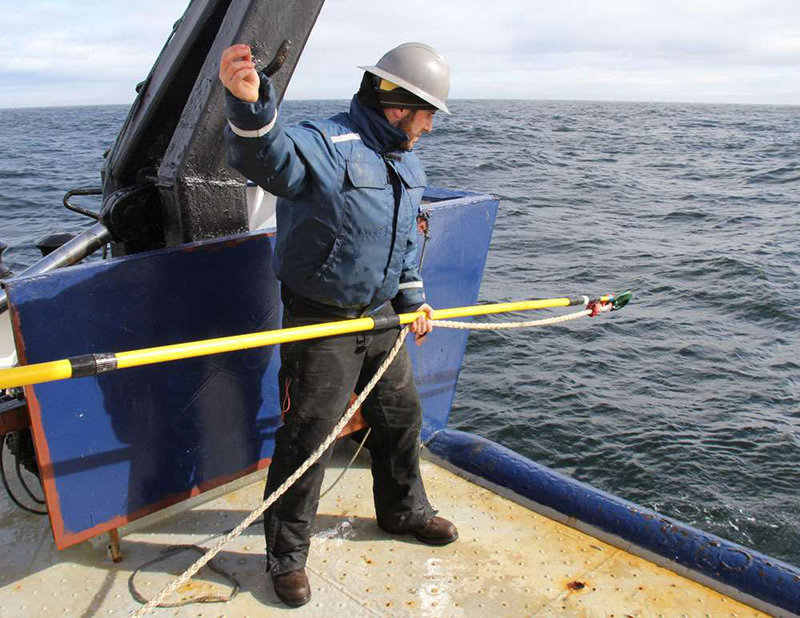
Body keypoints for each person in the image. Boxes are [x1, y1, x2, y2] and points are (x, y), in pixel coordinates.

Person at [219, 41, 458, 608]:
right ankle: (286, 555)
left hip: (380, 319)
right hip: (320, 321)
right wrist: (251, 106)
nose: (429, 128)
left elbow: (402, 246)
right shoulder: (324, 142)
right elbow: (267, 158)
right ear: (401, 104)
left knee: (401, 417)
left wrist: (412, 301)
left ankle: (403, 511)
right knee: (308, 438)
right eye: (428, 115)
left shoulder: (410, 163)